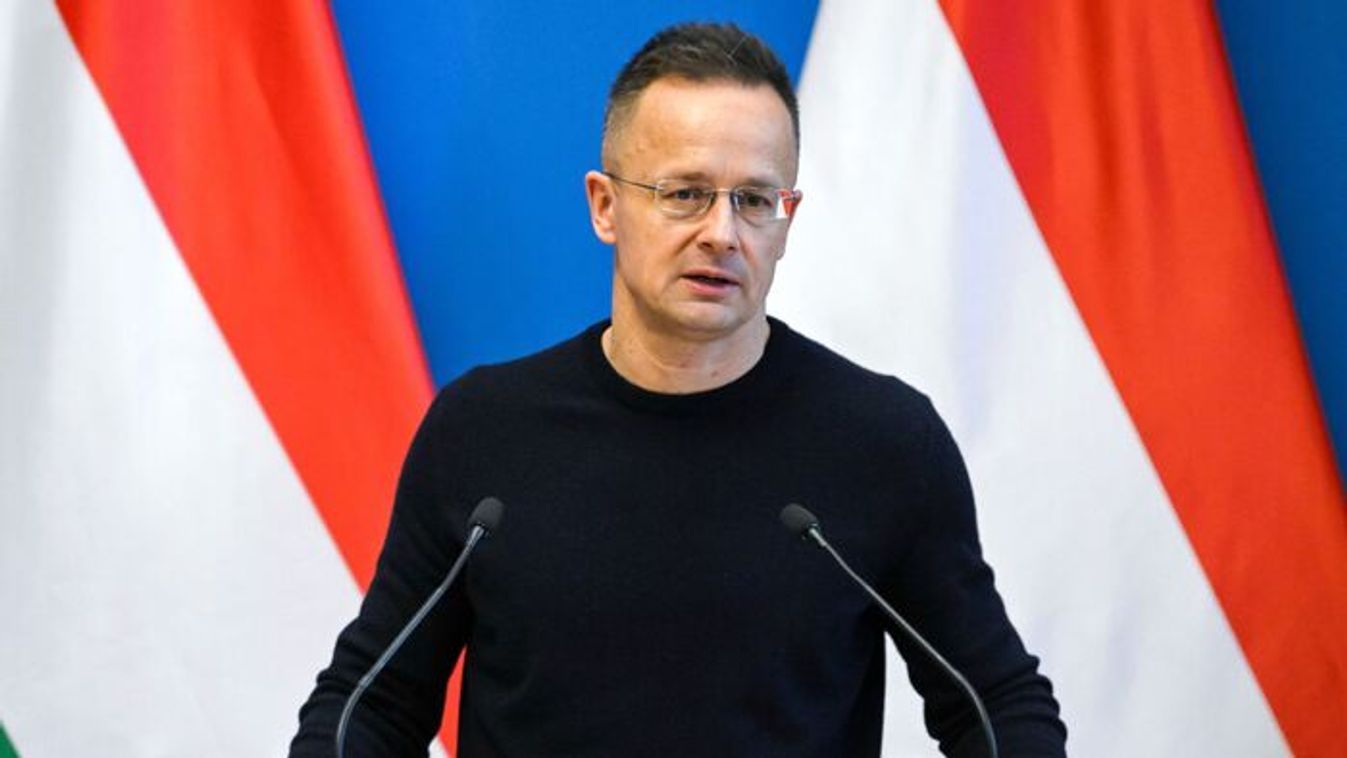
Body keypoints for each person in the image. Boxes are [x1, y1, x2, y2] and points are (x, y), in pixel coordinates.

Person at [291, 22, 1066, 757]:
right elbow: (370, 708)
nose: (722, 234)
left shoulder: (883, 442)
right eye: (685, 193)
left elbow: (995, 706)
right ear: (605, 206)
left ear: (786, 221)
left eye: (754, 200)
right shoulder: (483, 432)